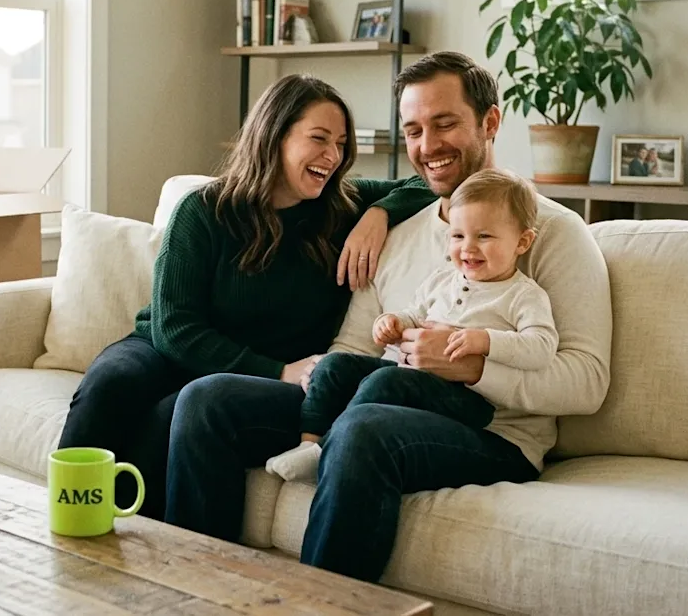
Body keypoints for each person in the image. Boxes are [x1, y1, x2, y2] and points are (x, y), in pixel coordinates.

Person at [163, 51, 611, 583]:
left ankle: (323, 603)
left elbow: (587, 383)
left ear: (490, 122)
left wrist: (472, 368)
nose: (428, 146)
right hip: (380, 394)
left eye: (445, 124)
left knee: (363, 427)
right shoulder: (396, 234)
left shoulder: (552, 233)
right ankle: (194, 590)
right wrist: (334, 376)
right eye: (414, 130)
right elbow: (354, 348)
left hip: (495, 433)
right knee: (208, 399)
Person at [55, 73, 438, 520]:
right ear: (274, 135)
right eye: (318, 138)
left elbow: (432, 184)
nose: (332, 156)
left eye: (340, 143)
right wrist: (279, 370)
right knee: (109, 384)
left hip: (246, 377)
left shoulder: (341, 209)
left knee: (167, 419)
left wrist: (378, 212)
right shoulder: (205, 210)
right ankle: (68, 527)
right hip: (169, 350)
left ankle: (154, 559)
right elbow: (175, 327)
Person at [265, 168, 558, 482]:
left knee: (387, 382)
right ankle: (308, 443)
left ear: (522, 242)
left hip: (471, 403)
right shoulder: (442, 280)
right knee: (333, 366)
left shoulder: (523, 295)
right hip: (415, 386)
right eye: (458, 236)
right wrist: (392, 322)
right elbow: (414, 314)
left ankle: (328, 447)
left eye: (484, 236)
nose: (467, 248)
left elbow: (541, 347)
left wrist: (484, 341)